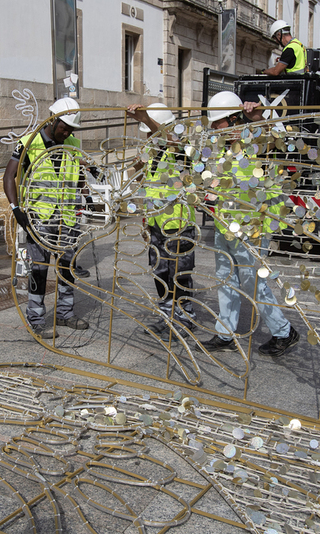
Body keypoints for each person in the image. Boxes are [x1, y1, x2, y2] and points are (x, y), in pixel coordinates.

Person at [202, 91, 300, 356]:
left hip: (253, 227)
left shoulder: (256, 141)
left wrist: (258, 118)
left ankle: (284, 332)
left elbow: (276, 139)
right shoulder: (223, 149)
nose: (214, 129)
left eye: (218, 123)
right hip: (226, 224)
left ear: (233, 119)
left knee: (252, 281)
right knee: (225, 279)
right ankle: (225, 333)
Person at [3, 97, 91, 340]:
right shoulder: (28, 143)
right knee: (39, 270)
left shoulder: (72, 142)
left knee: (66, 268)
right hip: (40, 219)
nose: (68, 132)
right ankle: (36, 320)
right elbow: (9, 176)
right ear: (52, 120)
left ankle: (64, 312)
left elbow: (77, 172)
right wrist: (15, 208)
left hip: (68, 219)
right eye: (65, 127)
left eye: (71, 128)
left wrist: (87, 194)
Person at [128, 103, 197, 334]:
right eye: (147, 132)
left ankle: (184, 318)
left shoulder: (180, 147)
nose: (148, 135)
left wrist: (148, 120)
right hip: (156, 224)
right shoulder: (152, 152)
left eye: (151, 129)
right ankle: (168, 315)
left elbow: (175, 144)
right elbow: (143, 181)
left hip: (179, 225)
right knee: (160, 272)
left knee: (180, 275)